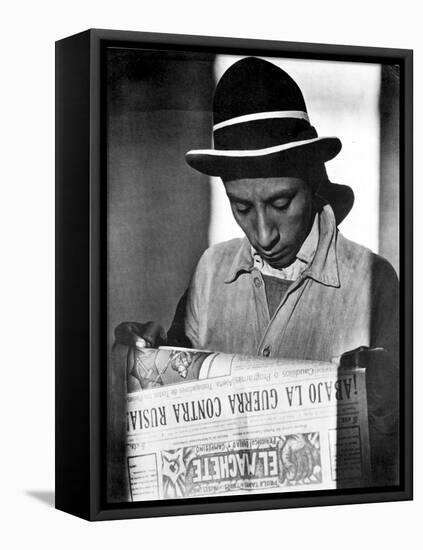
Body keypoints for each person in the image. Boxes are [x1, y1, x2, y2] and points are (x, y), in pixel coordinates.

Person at [114, 57, 399, 485]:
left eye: (281, 203)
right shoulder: (210, 271)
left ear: (314, 181)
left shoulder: (373, 281)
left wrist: (389, 404)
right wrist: (146, 360)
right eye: (241, 207)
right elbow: (176, 406)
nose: (263, 234)